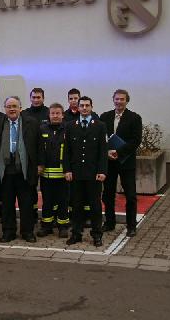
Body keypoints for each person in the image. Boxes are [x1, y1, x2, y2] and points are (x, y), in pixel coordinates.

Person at [64, 96, 108, 247]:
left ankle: (97, 234)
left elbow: (103, 151)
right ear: (78, 107)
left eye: (87, 105)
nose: (84, 108)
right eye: (81, 105)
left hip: (93, 173)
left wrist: (102, 171)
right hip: (76, 173)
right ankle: (76, 233)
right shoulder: (70, 126)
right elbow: (67, 151)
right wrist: (67, 169)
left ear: (91, 107)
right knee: (76, 205)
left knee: (95, 206)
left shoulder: (100, 126)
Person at [0, 96, 40, 243]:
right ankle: (9, 232)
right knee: (7, 204)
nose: (12, 109)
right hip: (5, 171)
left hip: (24, 170)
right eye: (9, 106)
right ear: (5, 109)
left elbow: (39, 145)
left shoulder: (31, 123)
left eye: (14, 106)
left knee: (26, 203)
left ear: (20, 108)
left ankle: (27, 232)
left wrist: (40, 164)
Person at [100, 89, 142, 237]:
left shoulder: (134, 118)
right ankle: (109, 222)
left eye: (122, 99)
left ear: (127, 101)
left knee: (130, 195)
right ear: (113, 100)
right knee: (108, 194)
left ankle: (131, 226)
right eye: (116, 99)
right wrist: (107, 152)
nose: (119, 102)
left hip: (126, 162)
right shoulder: (104, 117)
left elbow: (136, 140)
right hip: (109, 162)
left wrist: (119, 152)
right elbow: (100, 138)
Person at [37, 103, 70, 238]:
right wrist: (39, 165)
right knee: (47, 202)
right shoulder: (42, 129)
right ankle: (47, 226)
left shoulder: (68, 129)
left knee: (63, 201)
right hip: (46, 175)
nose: (55, 116)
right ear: (49, 115)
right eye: (53, 113)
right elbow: (38, 149)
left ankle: (63, 227)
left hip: (63, 175)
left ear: (62, 115)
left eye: (58, 113)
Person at [23, 87, 48, 222]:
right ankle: (31, 215)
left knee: (47, 190)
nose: (36, 100)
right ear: (30, 98)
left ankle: (48, 217)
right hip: (29, 158)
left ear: (43, 98)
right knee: (30, 189)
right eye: (34, 97)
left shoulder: (49, 113)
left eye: (39, 97)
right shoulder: (25, 114)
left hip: (47, 157)